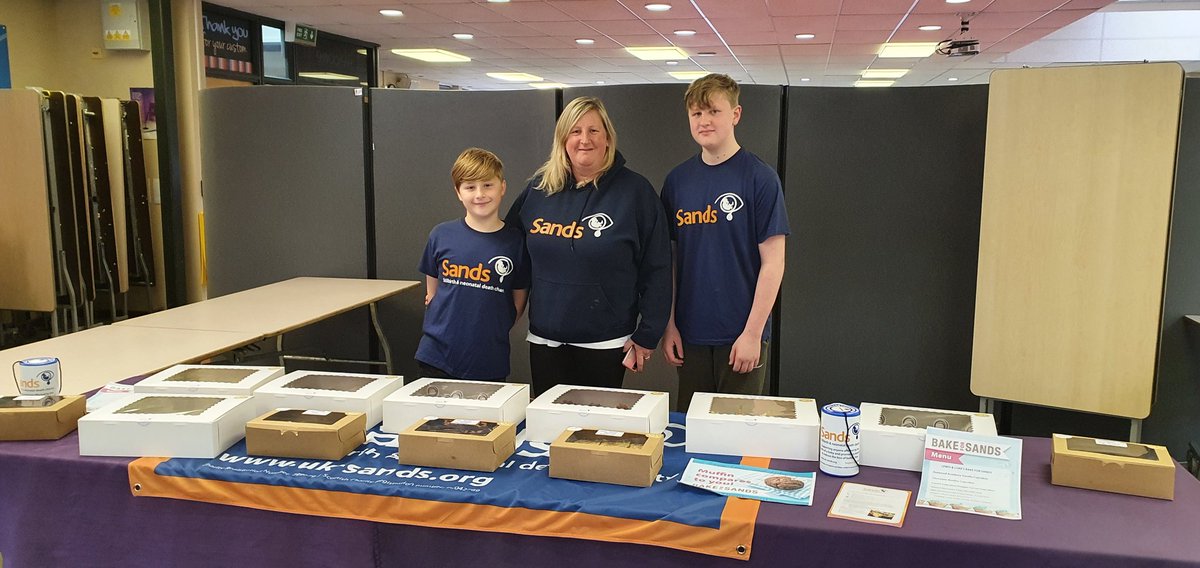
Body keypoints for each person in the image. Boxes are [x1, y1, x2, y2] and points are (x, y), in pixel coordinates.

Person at [505, 96, 671, 394]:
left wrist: (649, 333)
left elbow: (657, 267)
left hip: (606, 343)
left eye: (594, 130)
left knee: (598, 423)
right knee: (549, 423)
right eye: (576, 131)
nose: (585, 139)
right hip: (545, 340)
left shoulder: (635, 193)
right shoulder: (539, 189)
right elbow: (510, 250)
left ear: (607, 138)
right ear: (563, 139)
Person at [660, 73, 790, 411]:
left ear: (735, 114)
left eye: (713, 111)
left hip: (741, 336)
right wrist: (669, 324)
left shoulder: (760, 178)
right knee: (691, 428)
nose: (704, 121)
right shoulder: (677, 181)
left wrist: (753, 334)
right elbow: (670, 260)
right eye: (696, 113)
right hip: (690, 335)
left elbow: (773, 263)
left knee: (735, 431)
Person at [415, 148, 530, 381]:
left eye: (488, 185)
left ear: (502, 187)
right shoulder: (441, 235)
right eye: (470, 187)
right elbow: (433, 294)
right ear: (458, 192)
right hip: (437, 358)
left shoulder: (517, 242)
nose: (480, 194)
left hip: (489, 358)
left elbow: (517, 304)